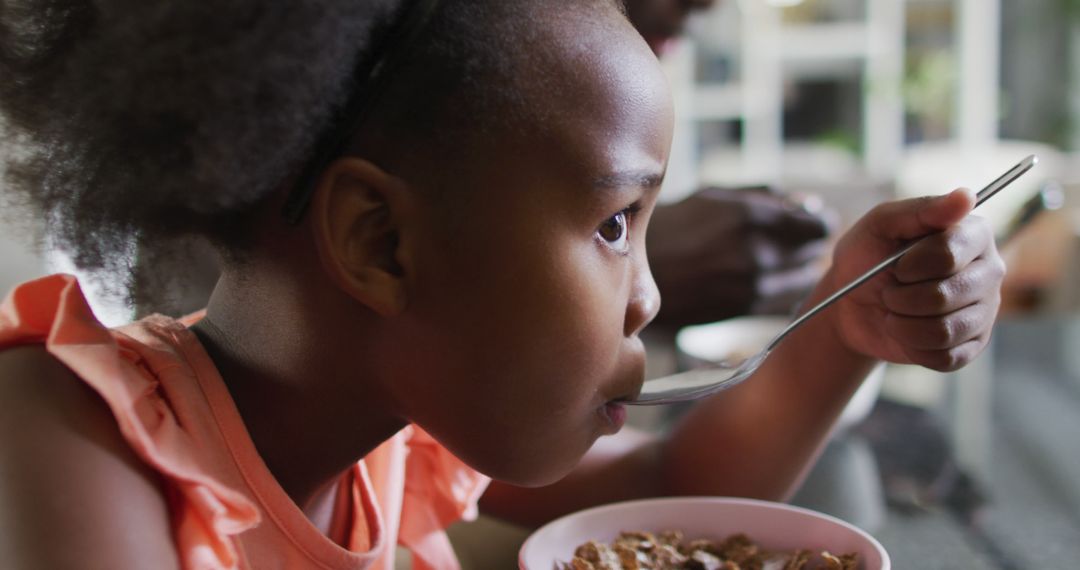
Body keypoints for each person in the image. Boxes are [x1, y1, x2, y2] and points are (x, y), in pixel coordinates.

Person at [0, 1, 1004, 570]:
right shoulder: (73, 437)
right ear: (383, 243)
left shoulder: (392, 431)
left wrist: (845, 326)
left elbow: (665, 498)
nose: (649, 297)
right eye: (616, 224)